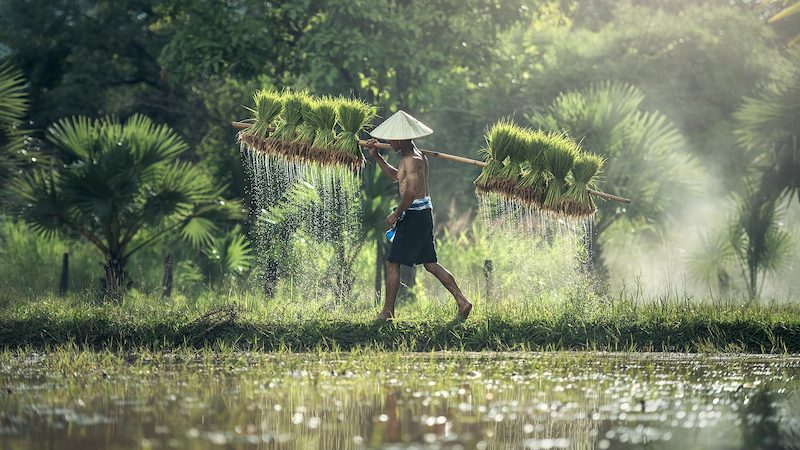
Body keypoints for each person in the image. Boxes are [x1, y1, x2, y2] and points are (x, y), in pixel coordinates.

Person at [364, 110, 472, 320]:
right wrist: (376, 156)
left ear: (400, 138)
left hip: (414, 215)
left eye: (391, 138)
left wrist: (396, 214)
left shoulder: (412, 159)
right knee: (430, 264)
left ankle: (388, 311)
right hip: (423, 214)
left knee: (392, 262)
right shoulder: (414, 157)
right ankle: (462, 301)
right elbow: (397, 177)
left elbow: (411, 192)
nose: (388, 142)